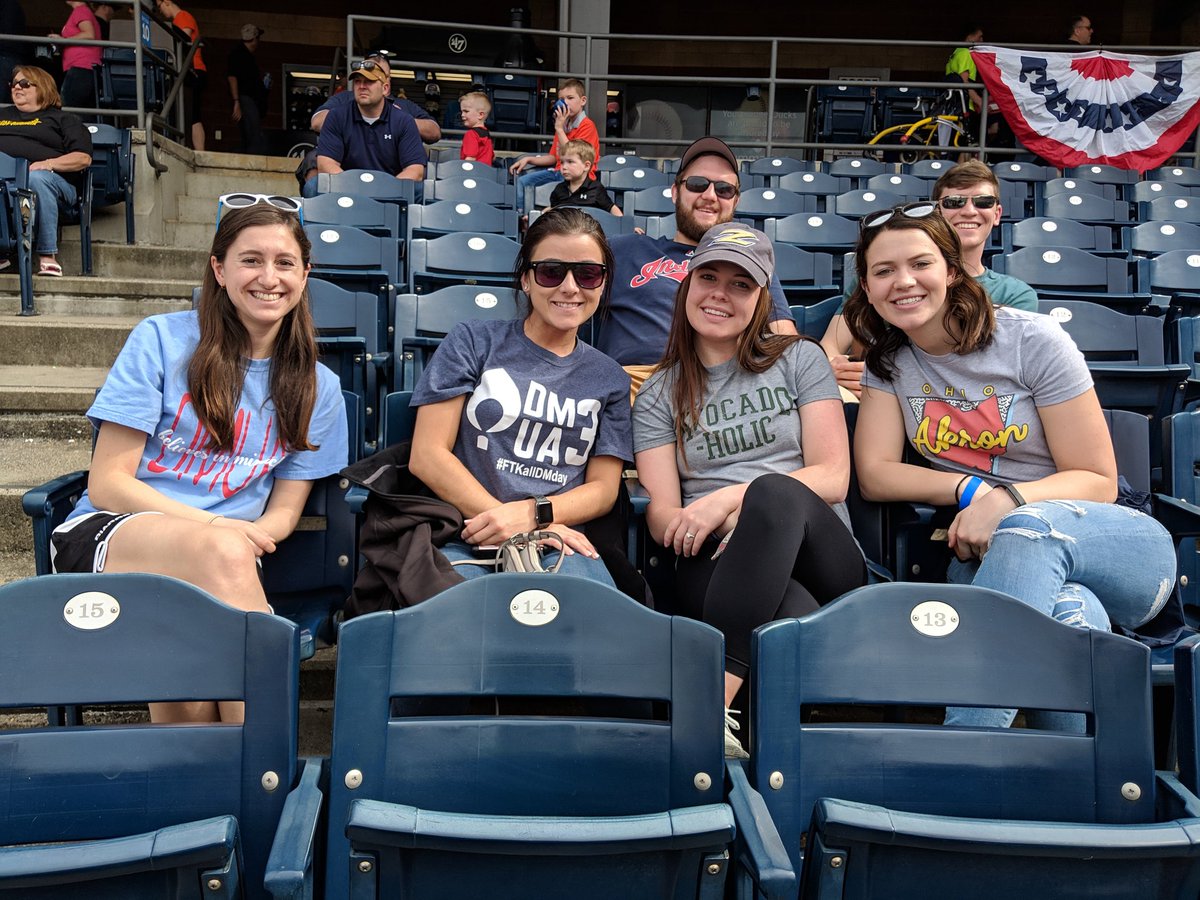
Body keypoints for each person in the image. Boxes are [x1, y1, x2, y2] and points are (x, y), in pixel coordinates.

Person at [844, 202, 1175, 729]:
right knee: (1073, 614)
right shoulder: (891, 363)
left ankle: (966, 746)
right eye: (883, 271)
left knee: (1027, 531)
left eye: (920, 263)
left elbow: (1097, 479)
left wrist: (1009, 501)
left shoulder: (1030, 339)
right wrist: (973, 493)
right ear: (866, 287)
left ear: (952, 270)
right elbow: (877, 473)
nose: (903, 282)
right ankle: (1085, 791)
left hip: (1116, 541)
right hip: (985, 552)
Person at [49, 199, 349, 724]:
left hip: (225, 558)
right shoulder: (163, 340)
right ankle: (270, 769)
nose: (268, 277)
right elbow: (110, 483)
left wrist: (238, 539)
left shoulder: (319, 388)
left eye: (284, 263)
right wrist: (218, 530)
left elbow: (282, 512)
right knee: (218, 564)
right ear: (219, 268)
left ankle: (210, 785)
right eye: (250, 260)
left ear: (305, 274)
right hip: (112, 535)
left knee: (188, 658)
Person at [633, 222, 865, 758]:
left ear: (760, 298)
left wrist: (729, 499)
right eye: (708, 276)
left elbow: (833, 476)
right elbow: (663, 513)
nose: (720, 293)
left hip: (819, 551)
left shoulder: (799, 358)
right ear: (687, 284)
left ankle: (708, 707)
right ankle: (767, 777)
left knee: (772, 494)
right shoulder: (658, 396)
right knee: (788, 618)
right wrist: (704, 523)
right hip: (716, 561)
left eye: (741, 284)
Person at [408, 206, 633, 587]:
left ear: (603, 283)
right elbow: (427, 455)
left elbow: (604, 489)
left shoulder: (609, 377)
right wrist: (506, 522)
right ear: (526, 280)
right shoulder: (473, 342)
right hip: (469, 534)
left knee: (582, 627)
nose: (569, 287)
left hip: (561, 543)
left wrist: (535, 517)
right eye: (550, 271)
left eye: (588, 273)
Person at [820, 160, 1038, 399]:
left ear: (997, 214)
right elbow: (831, 345)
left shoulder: (1015, 294)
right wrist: (836, 368)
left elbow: (995, 373)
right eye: (954, 202)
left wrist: (896, 380)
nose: (969, 211)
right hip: (873, 393)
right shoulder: (879, 279)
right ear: (937, 211)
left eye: (982, 202)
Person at [600, 136, 797, 396]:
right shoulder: (625, 249)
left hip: (720, 390)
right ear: (675, 192)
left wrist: (812, 366)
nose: (709, 196)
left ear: (735, 201)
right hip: (637, 385)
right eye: (697, 184)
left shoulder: (750, 262)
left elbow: (782, 337)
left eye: (724, 189)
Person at [0, 66, 92, 277]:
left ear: (42, 87)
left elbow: (82, 158)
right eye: (13, 84)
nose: (17, 87)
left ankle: (47, 256)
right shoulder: (2, 114)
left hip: (52, 185)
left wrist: (47, 163)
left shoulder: (63, 120)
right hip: (6, 185)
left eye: (24, 83)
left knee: (37, 179)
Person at [310, 57, 426, 196]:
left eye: (369, 81)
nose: (362, 86)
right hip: (346, 189)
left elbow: (415, 170)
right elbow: (326, 165)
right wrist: (353, 188)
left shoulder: (403, 120)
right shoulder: (336, 116)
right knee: (313, 186)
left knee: (421, 191)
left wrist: (384, 191)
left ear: (385, 88)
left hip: (391, 190)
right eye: (358, 81)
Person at [508, 78, 599, 215]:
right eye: (561, 98)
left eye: (570, 98)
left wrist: (559, 128)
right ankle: (523, 218)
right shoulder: (562, 125)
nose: (565, 102)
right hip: (558, 172)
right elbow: (553, 157)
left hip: (578, 176)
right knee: (523, 181)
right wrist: (529, 159)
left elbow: (573, 155)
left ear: (583, 101)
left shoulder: (587, 125)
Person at [309, 53, 441, 144]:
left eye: (371, 79)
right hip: (346, 168)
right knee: (313, 178)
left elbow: (434, 132)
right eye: (359, 80)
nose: (363, 86)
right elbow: (317, 122)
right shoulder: (345, 99)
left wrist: (401, 120)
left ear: (386, 83)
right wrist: (351, 114)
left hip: (391, 172)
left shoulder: (403, 106)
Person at [155, 0, 205, 150]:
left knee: (193, 115)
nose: (161, 11)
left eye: (160, 7)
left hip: (193, 69)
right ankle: (198, 151)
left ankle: (200, 151)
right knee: (192, 115)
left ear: (167, 2)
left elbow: (183, 39)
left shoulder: (182, 16)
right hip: (190, 70)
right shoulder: (180, 18)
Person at [547, 139, 621, 216]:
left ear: (586, 166)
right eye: (562, 162)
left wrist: (623, 224)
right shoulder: (559, 189)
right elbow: (553, 210)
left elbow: (611, 208)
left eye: (570, 162)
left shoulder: (596, 189)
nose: (564, 167)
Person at [51, 1, 100, 111]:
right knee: (82, 109)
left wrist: (63, 40)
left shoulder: (80, 10)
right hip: (85, 67)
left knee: (70, 107)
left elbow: (89, 34)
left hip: (81, 66)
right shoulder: (82, 11)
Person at [227, 23, 268, 155]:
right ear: (254, 39)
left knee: (251, 134)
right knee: (253, 135)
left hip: (250, 100)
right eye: (258, 38)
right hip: (245, 100)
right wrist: (236, 101)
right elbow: (232, 77)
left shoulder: (248, 56)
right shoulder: (237, 54)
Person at [945, 25, 984, 142]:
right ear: (970, 37)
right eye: (980, 37)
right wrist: (980, 101)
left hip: (954, 104)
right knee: (968, 142)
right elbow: (964, 81)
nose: (982, 41)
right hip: (965, 105)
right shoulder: (966, 53)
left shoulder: (955, 53)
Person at [458, 90, 494, 165]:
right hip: (486, 173)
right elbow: (493, 157)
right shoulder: (486, 134)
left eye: (466, 111)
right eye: (462, 112)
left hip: (473, 173)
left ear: (480, 115)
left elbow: (470, 159)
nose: (462, 115)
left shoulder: (471, 134)